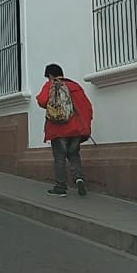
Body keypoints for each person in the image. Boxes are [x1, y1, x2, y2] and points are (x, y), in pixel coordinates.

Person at [36, 63, 93, 197]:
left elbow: (42, 101)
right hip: (76, 130)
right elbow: (87, 107)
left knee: (59, 158)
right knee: (74, 155)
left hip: (58, 129)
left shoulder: (50, 85)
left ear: (50, 75)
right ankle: (79, 178)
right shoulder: (75, 86)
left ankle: (61, 187)